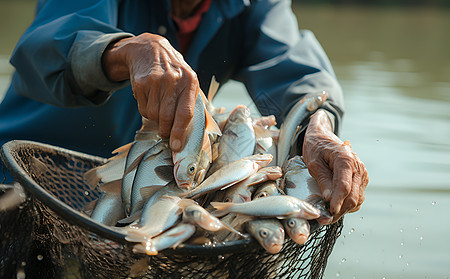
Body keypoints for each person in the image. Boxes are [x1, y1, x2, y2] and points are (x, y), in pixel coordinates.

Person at [0, 0, 368, 224]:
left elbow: (298, 71)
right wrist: (127, 50)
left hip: (143, 194)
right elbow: (43, 48)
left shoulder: (255, 4)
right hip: (25, 174)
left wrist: (317, 126)